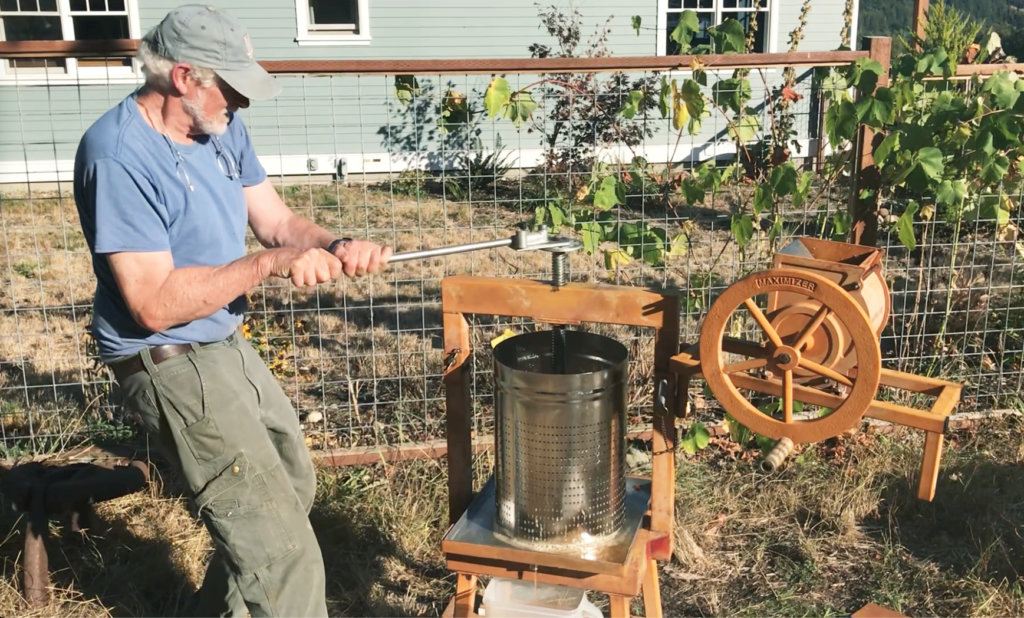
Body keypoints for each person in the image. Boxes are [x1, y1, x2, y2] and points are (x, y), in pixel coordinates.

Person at [73, 5, 391, 616]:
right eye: (233, 87)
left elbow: (276, 221)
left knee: (292, 486)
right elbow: (152, 304)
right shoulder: (117, 155)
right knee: (283, 553)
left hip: (221, 339)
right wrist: (269, 266)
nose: (241, 103)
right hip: (167, 358)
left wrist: (333, 245)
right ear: (185, 77)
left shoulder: (218, 127)